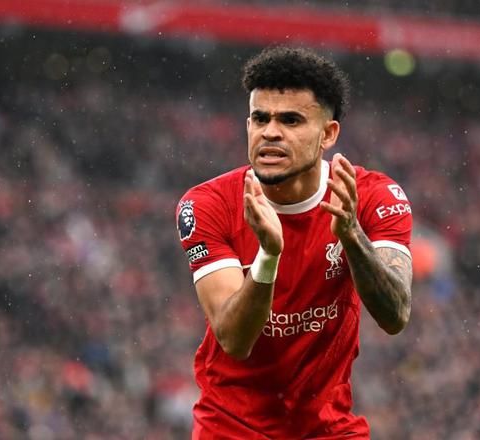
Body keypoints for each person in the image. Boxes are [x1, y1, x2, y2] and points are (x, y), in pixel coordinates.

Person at [176, 46, 413, 439]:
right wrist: (269, 255)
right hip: (232, 427)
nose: (270, 131)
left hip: (329, 428)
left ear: (328, 134)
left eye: (290, 120)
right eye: (260, 118)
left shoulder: (373, 197)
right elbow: (234, 339)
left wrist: (352, 235)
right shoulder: (208, 205)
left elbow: (396, 315)